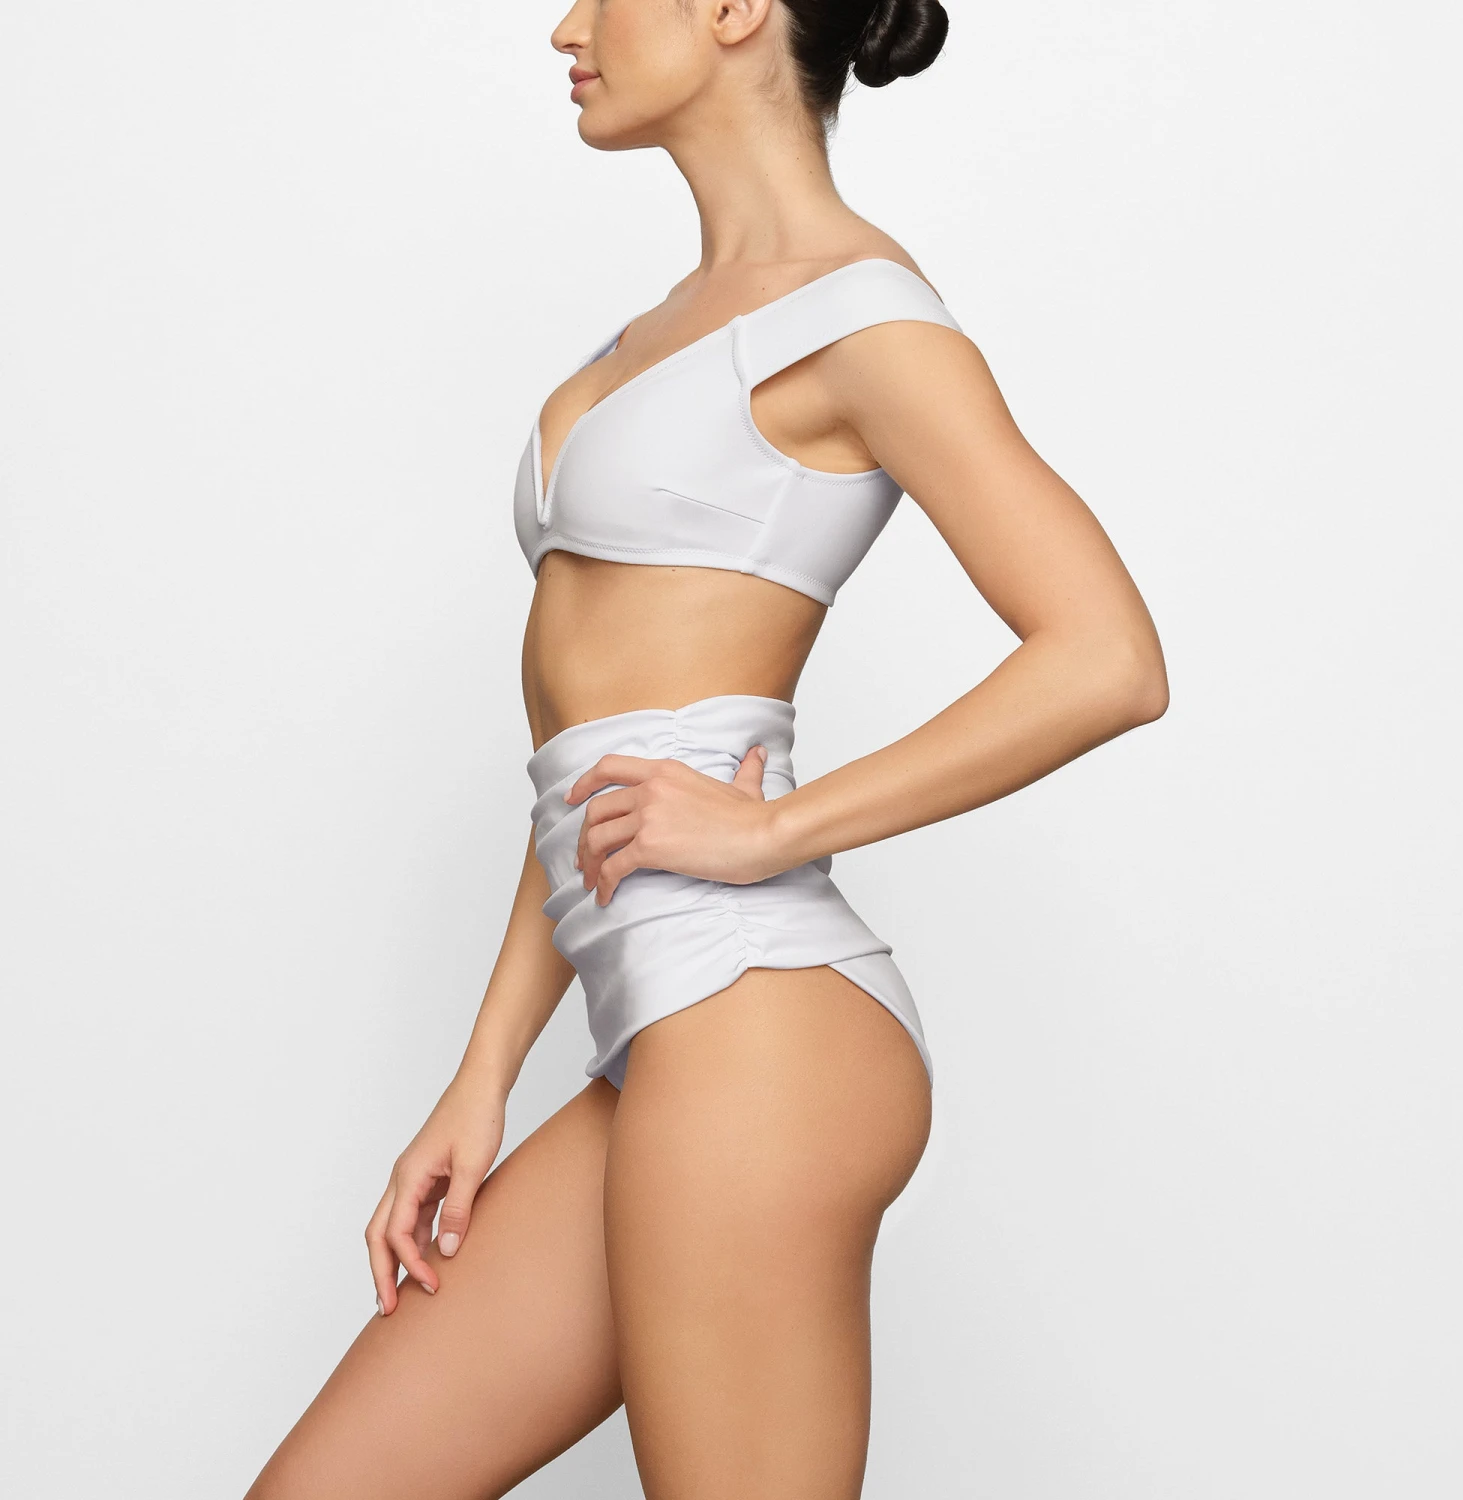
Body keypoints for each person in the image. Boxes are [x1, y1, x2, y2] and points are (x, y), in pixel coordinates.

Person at [247, 0, 1168, 1494]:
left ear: (737, 7)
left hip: (760, 1029)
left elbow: (1108, 659)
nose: (567, 26)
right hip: (658, 1039)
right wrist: (481, 1080)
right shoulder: (663, 328)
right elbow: (591, 768)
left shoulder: (865, 322)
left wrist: (774, 827)